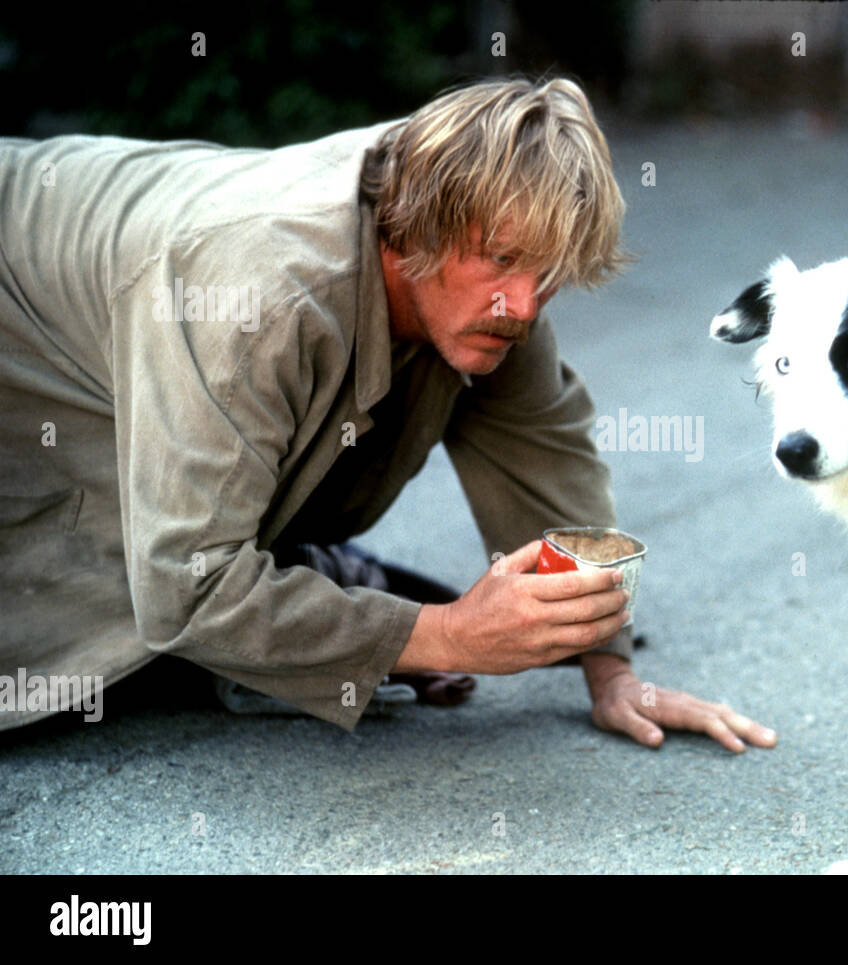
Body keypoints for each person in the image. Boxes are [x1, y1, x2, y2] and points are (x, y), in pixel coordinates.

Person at [0, 77, 777, 753]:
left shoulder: (490, 258)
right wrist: (444, 635)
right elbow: (187, 585)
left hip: (125, 286)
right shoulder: (260, 297)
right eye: (503, 259)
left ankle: (302, 579)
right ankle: (300, 584)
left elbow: (545, 452)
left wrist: (611, 673)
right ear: (415, 224)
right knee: (101, 613)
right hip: (22, 294)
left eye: (548, 273)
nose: (525, 304)